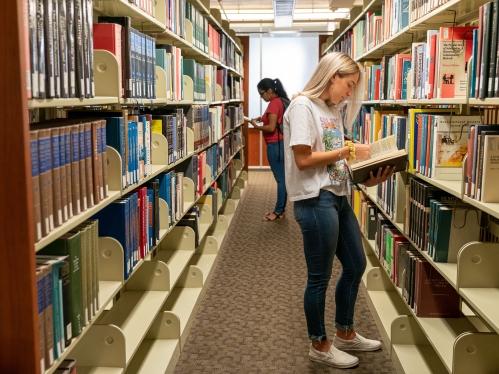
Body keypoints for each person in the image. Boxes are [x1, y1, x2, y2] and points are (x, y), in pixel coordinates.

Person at [282, 52, 396, 368]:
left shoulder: (333, 109)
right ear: (332, 75)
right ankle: (319, 344)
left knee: (356, 265)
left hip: (339, 196)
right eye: (348, 84)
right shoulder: (303, 106)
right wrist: (348, 149)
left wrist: (368, 174)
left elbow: (334, 160)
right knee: (319, 277)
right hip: (315, 200)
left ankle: (345, 333)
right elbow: (304, 159)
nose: (349, 92)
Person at [250, 78, 289, 221]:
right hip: (281, 143)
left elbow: (271, 127)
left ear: (269, 91)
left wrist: (256, 126)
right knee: (283, 178)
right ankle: (281, 210)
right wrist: (262, 118)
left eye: (261, 94)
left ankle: (278, 211)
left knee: (281, 179)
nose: (261, 97)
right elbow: (275, 118)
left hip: (275, 145)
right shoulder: (279, 101)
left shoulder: (273, 103)